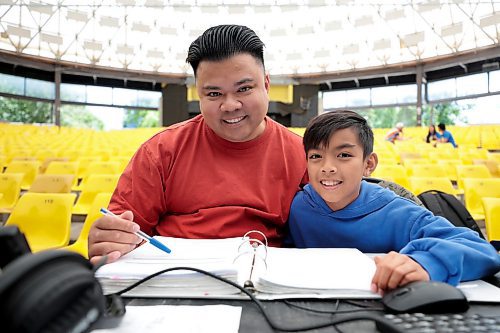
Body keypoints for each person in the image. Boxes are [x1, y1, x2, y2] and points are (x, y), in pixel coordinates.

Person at [88, 25, 308, 265]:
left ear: (266, 85)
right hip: (173, 279)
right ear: (199, 96)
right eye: (214, 94)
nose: (230, 105)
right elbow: (121, 235)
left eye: (244, 89)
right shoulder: (160, 152)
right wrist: (110, 239)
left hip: (266, 282)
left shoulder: (304, 155)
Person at [287, 110, 500, 294]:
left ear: (368, 164)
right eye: (316, 156)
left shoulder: (398, 212)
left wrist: (425, 263)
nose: (328, 167)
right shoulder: (297, 207)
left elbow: (481, 250)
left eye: (343, 154)